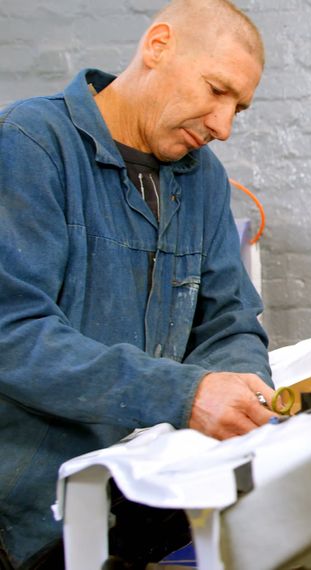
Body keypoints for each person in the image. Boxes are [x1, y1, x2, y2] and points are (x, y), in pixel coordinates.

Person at [0, 0, 276, 566]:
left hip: (141, 495)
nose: (222, 126)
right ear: (157, 47)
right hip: (31, 511)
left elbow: (229, 316)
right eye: (216, 90)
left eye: (239, 109)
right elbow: (13, 333)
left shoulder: (201, 179)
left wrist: (243, 389)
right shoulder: (29, 145)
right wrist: (186, 395)